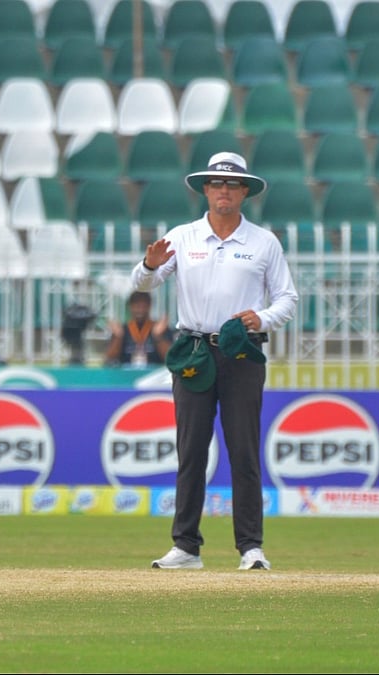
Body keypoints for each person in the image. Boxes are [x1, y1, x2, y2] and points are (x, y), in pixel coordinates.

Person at [134, 152, 297, 572]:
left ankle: (251, 548)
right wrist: (150, 263)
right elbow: (145, 281)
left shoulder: (263, 242)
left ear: (244, 191)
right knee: (190, 451)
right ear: (206, 190)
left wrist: (261, 316)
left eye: (232, 185)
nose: (223, 191)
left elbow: (287, 299)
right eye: (216, 184)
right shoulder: (184, 236)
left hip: (242, 352)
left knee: (243, 451)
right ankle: (186, 546)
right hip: (193, 351)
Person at [103, 291, 172, 368]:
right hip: (126, 375)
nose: (140, 310)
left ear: (149, 306)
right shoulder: (122, 330)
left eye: (143, 306)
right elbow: (110, 358)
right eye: (137, 306)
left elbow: (170, 358)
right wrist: (118, 337)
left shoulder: (159, 328)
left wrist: (158, 336)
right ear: (130, 307)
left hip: (154, 376)